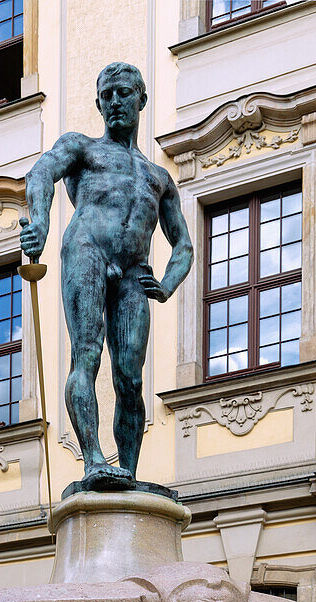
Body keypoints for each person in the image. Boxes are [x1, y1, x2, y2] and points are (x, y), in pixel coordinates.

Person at [19, 61, 193, 490]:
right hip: (87, 251)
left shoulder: (159, 178)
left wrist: (167, 285)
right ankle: (94, 458)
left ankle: (129, 475)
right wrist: (40, 221)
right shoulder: (83, 148)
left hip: (135, 272)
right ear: (99, 103)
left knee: (130, 378)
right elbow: (42, 171)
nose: (115, 102)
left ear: (141, 100)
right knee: (87, 355)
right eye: (107, 96)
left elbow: (184, 245)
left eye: (124, 93)